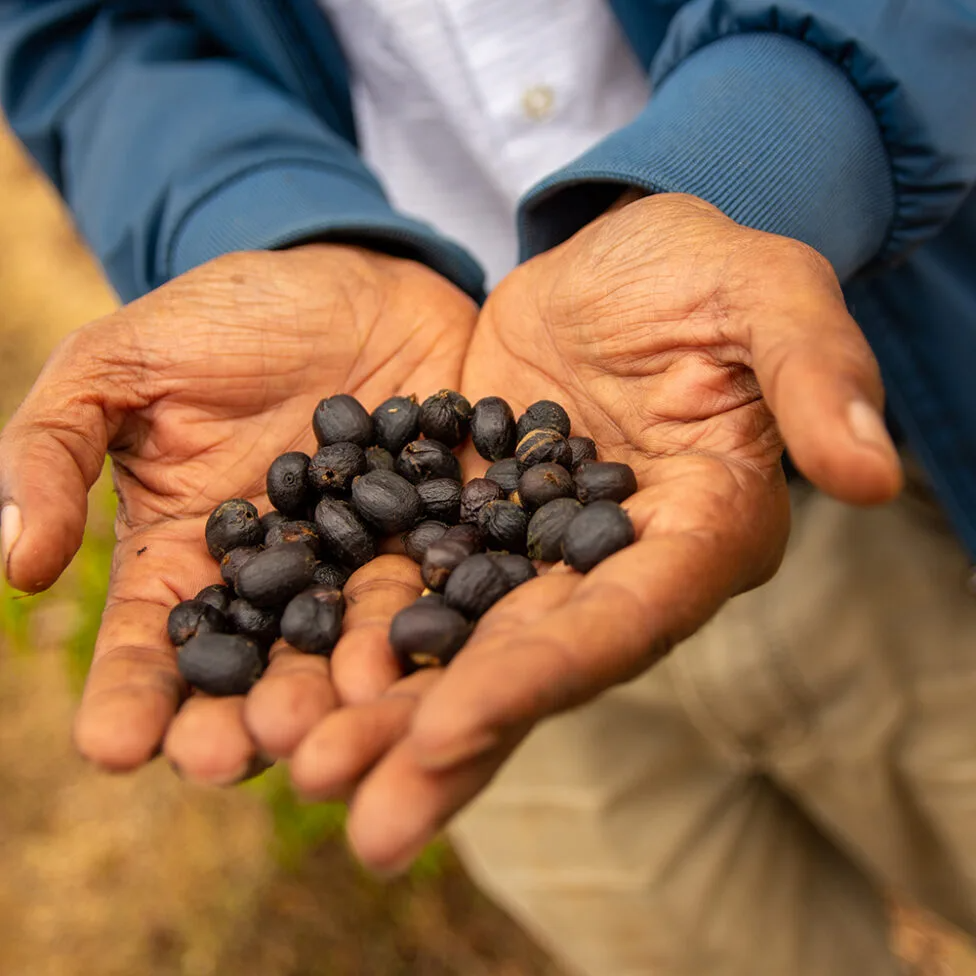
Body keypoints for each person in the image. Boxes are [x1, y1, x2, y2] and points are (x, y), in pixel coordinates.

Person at [0, 2, 974, 973]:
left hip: (873, 443)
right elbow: (86, 39)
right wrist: (257, 228)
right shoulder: (401, 526)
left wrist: (781, 139)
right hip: (464, 681)